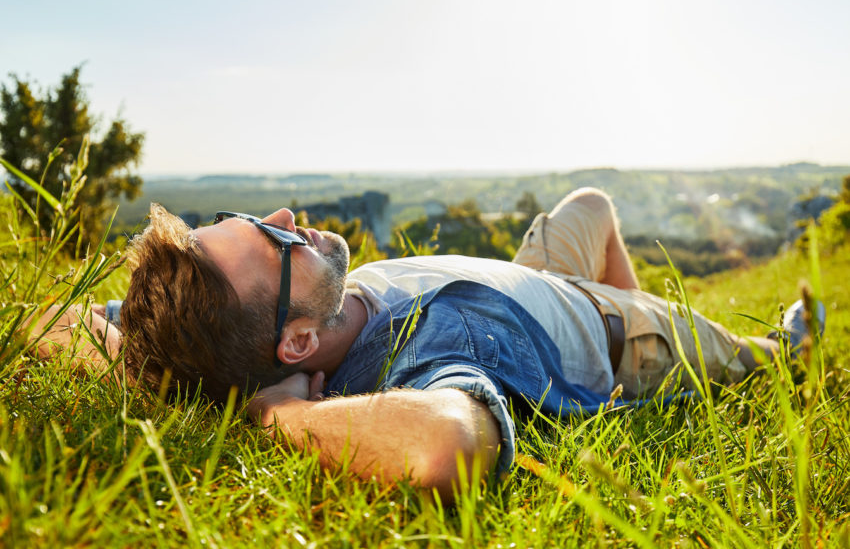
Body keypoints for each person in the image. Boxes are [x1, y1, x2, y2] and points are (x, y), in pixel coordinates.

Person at [33, 188, 821, 500]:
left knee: (591, 205)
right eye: (275, 244)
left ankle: (632, 289)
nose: (283, 216)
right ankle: (792, 341)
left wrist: (168, 372)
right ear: (298, 341)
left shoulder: (230, 317)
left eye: (251, 218)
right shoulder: (422, 352)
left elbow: (50, 322)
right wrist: (275, 419)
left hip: (528, 275)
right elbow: (445, 447)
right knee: (770, 357)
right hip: (626, 337)